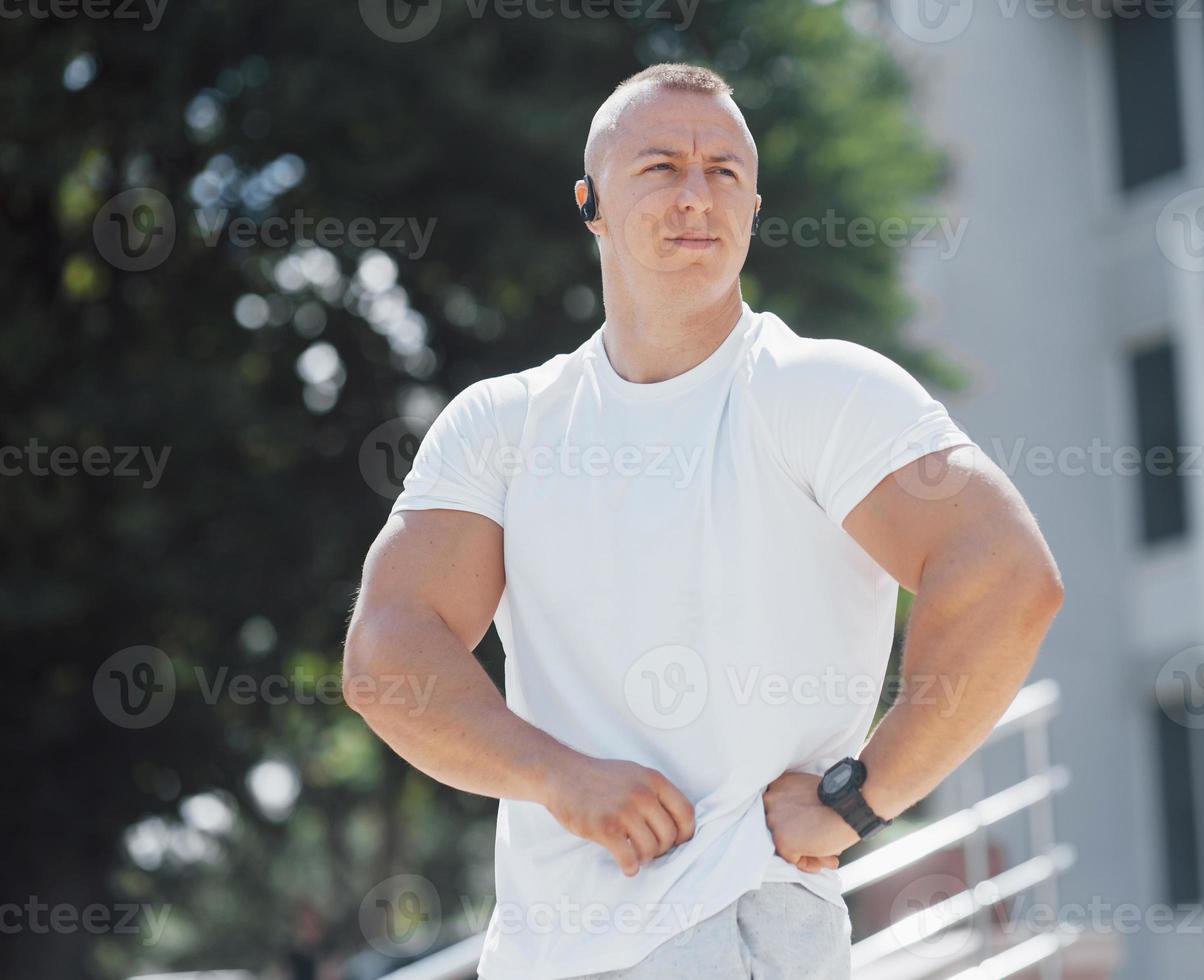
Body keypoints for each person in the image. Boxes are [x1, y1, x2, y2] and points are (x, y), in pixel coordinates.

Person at [343, 62, 1063, 980]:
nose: (697, 195)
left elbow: (1006, 574)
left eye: (725, 172)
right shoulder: (505, 423)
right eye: (660, 167)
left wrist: (863, 797)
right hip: (538, 955)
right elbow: (389, 654)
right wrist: (556, 775)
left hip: (737, 935)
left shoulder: (819, 391)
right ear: (591, 203)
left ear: (755, 207)